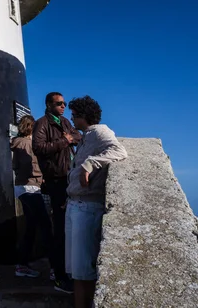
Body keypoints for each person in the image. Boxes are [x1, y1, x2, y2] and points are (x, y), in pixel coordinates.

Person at [66, 96, 127, 308]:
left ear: (84, 116)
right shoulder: (86, 136)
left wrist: (90, 164)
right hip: (76, 204)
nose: (72, 119)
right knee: (77, 270)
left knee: (84, 270)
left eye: (74, 115)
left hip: (87, 208)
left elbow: (119, 151)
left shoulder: (101, 132)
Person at [32, 92, 82, 293]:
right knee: (60, 228)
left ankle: (64, 270)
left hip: (69, 178)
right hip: (56, 180)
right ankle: (59, 276)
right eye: (59, 103)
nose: (63, 106)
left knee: (68, 227)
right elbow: (38, 147)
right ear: (48, 104)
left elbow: (78, 136)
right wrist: (65, 140)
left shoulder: (65, 121)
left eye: (64, 103)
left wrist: (70, 138)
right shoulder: (42, 123)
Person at [11, 115, 55, 278]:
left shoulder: (16, 144)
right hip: (32, 187)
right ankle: (55, 268)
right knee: (45, 227)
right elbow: (36, 167)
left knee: (31, 226)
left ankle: (22, 265)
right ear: (32, 127)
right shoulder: (31, 145)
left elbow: (16, 166)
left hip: (20, 187)